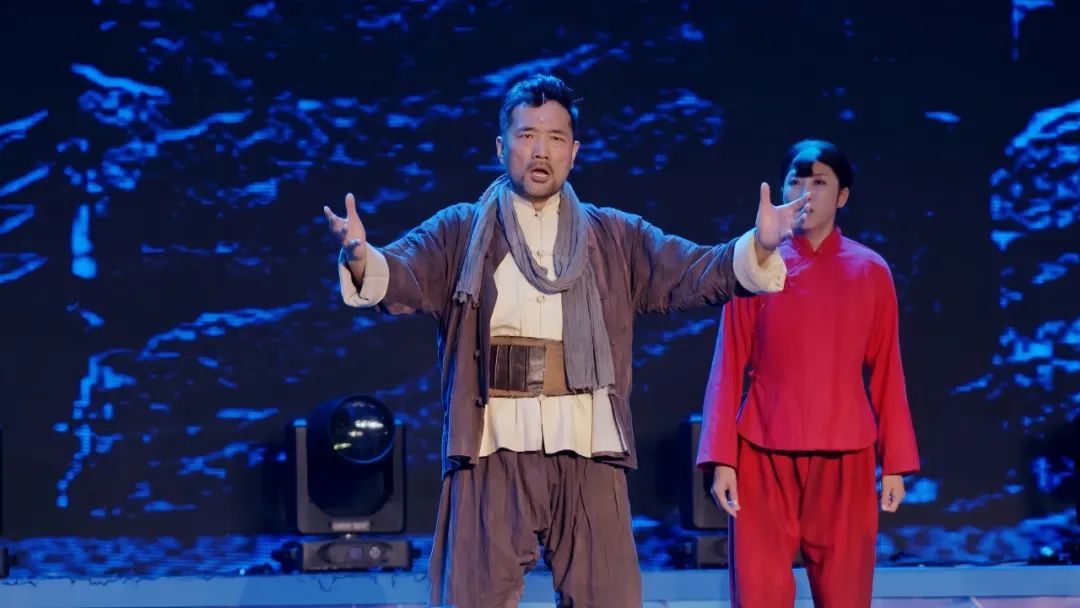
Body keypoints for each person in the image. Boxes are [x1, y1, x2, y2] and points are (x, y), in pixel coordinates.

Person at [323, 74, 809, 608]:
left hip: (587, 439)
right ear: (501, 147)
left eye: (555, 138)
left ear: (573, 153)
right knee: (473, 597)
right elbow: (403, 274)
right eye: (527, 135)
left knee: (609, 597)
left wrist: (758, 247)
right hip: (493, 443)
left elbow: (692, 272)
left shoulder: (613, 235)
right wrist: (360, 257)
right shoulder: (461, 231)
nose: (541, 150)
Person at [696, 139, 920, 607]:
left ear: (842, 196)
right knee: (759, 593)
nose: (805, 194)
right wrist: (722, 458)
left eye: (819, 183)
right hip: (763, 451)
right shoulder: (757, 263)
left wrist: (895, 463)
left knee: (845, 593)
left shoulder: (869, 271)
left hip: (846, 457)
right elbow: (728, 363)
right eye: (795, 182)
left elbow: (887, 369)